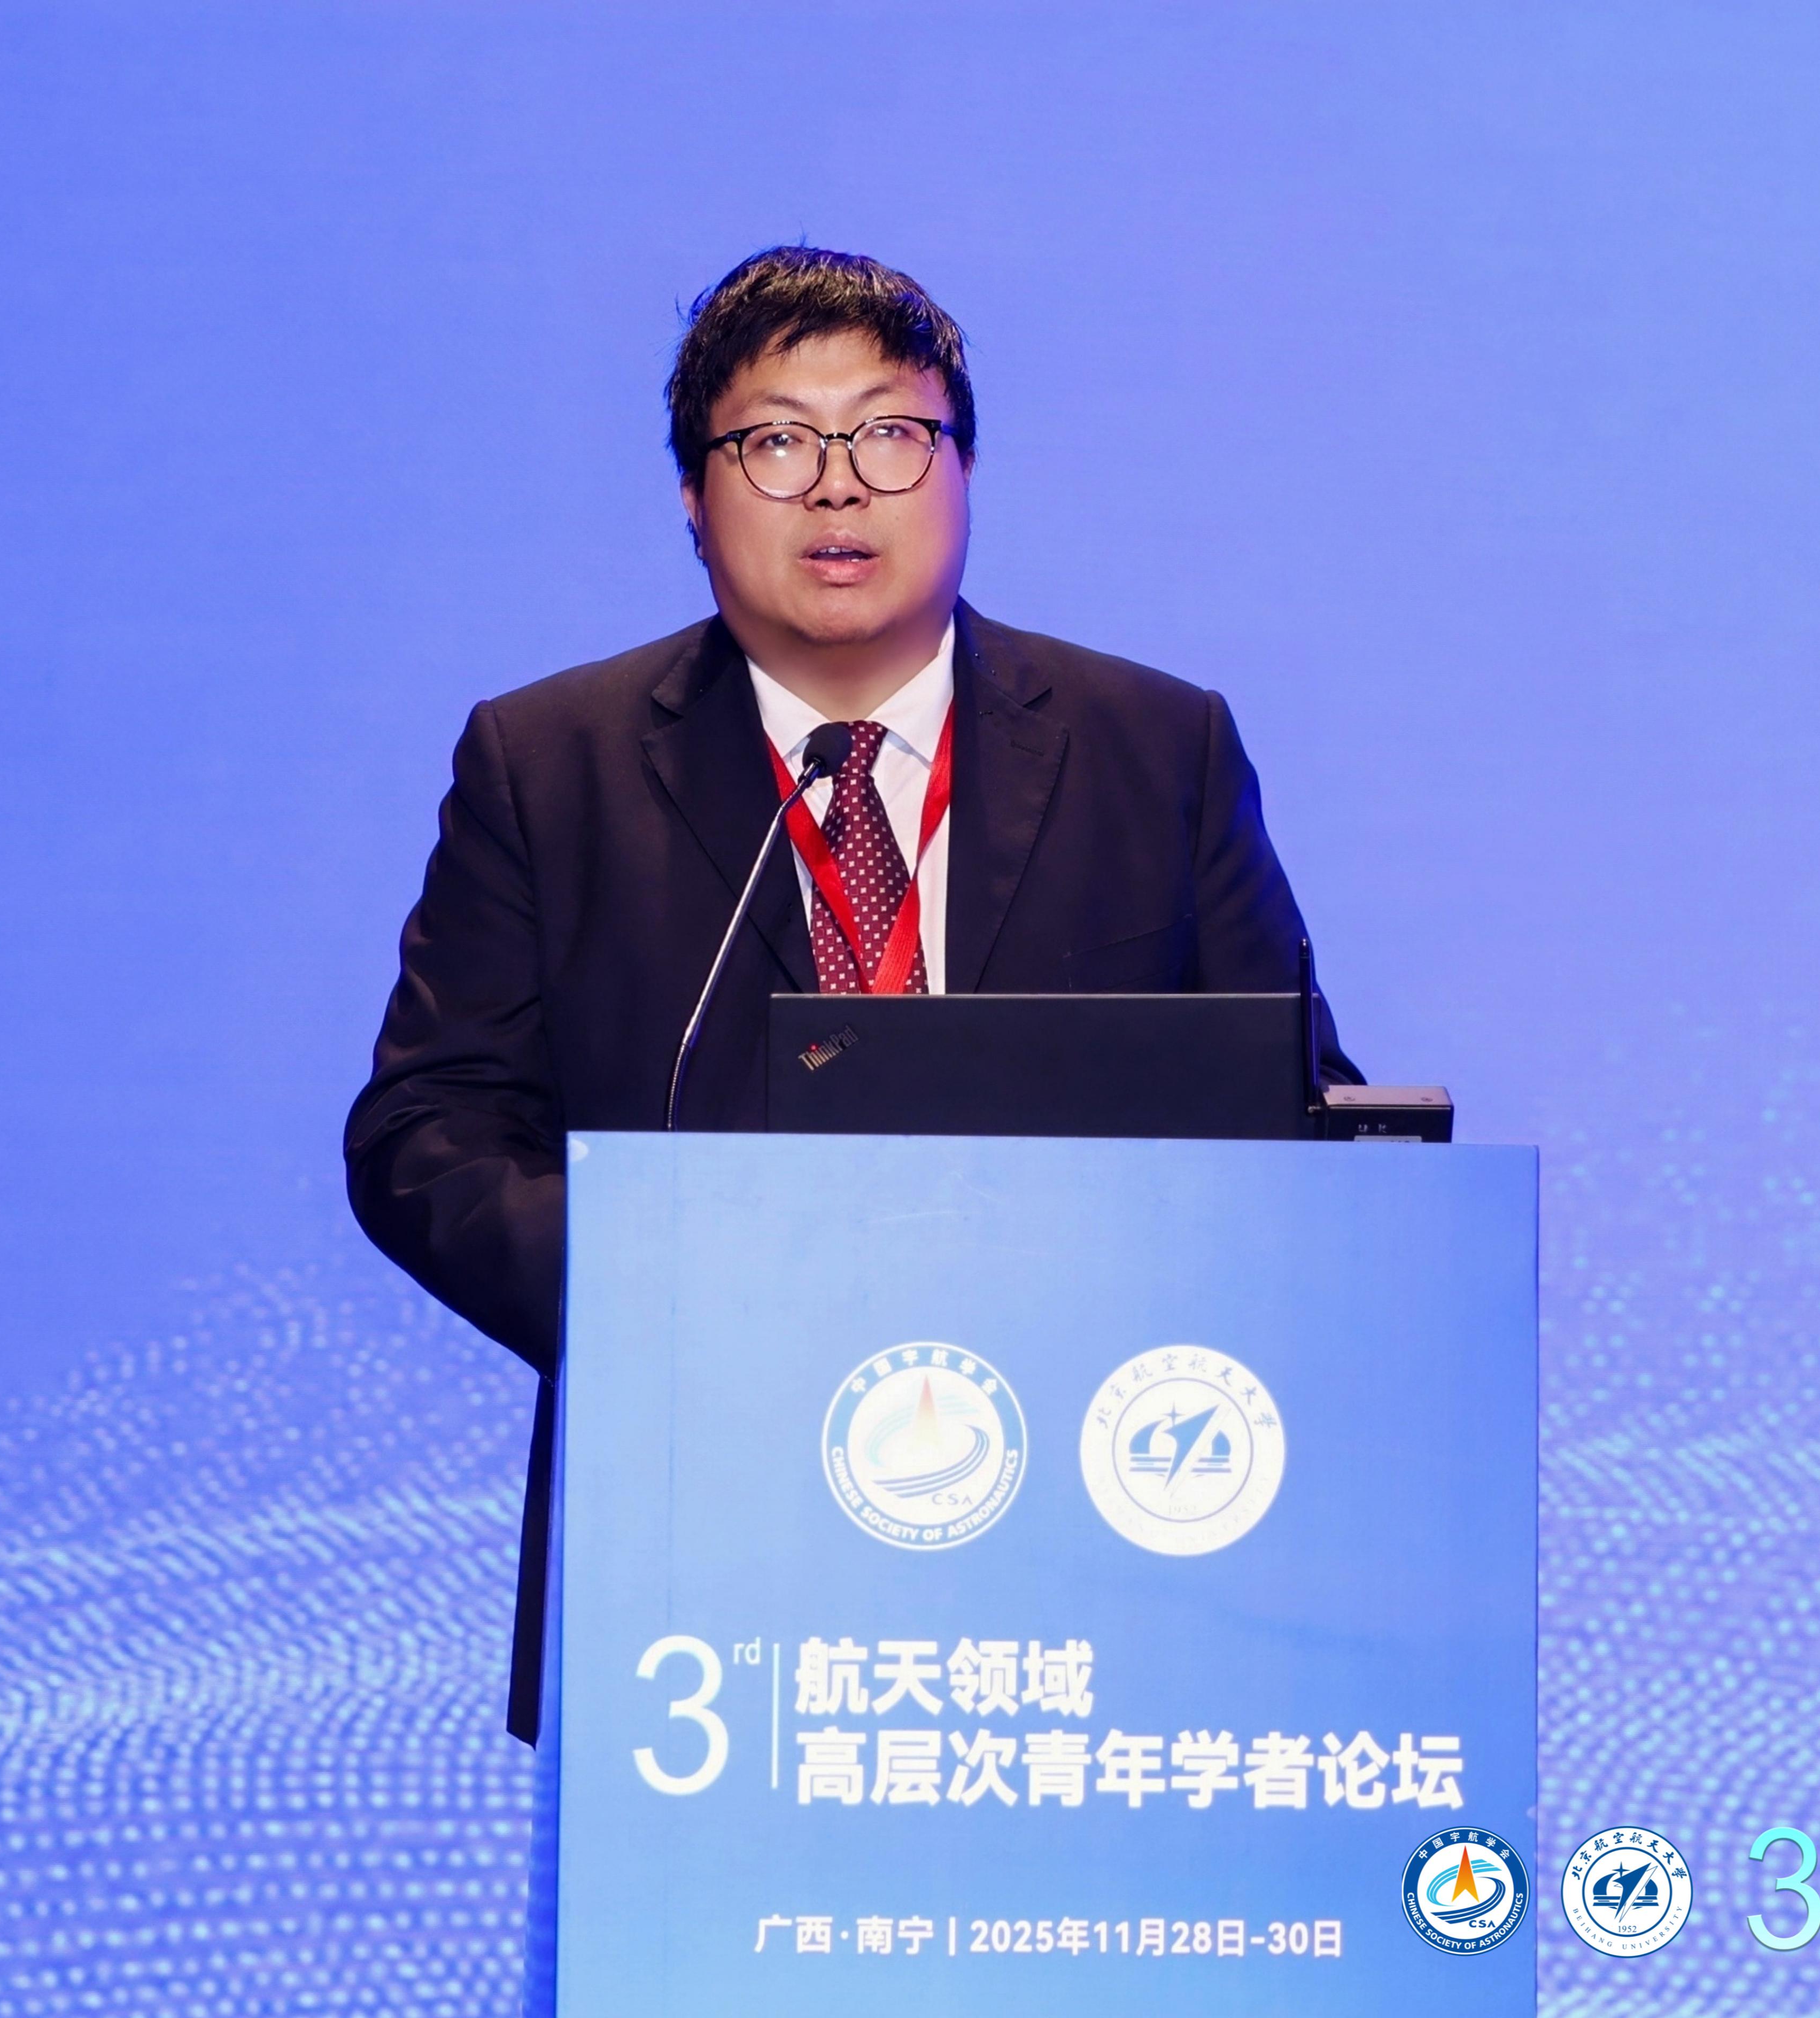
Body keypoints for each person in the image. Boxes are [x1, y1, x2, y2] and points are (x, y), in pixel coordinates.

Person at [344, 246, 1354, 1742]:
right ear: (693, 495)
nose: (836, 486)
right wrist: (678, 1291)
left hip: (1109, 1544)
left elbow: (1299, 1116)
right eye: (775, 441)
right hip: (697, 1556)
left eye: (890, 433)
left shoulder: (1157, 748)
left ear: (965, 470)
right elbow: (426, 1136)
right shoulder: (549, 765)